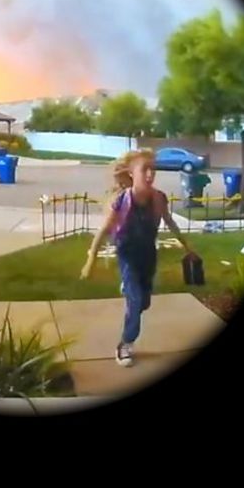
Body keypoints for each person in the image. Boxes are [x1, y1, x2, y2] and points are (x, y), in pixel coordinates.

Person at [81, 149, 197, 367]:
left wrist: (188, 248)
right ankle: (125, 344)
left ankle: (130, 289)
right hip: (127, 255)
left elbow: (170, 222)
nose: (150, 174)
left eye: (153, 169)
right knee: (134, 303)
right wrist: (90, 262)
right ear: (132, 174)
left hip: (148, 255)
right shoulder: (123, 200)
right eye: (145, 169)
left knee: (143, 302)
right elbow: (103, 230)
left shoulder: (159, 198)